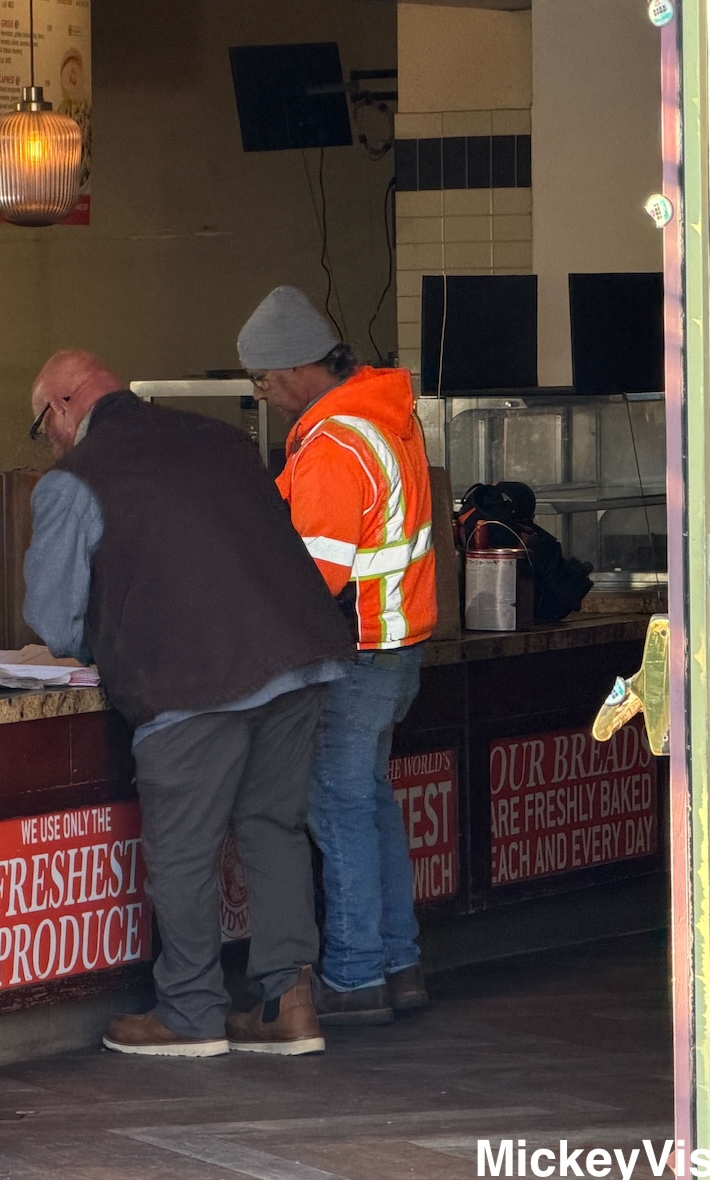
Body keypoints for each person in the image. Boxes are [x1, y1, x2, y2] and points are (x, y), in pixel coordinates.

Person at [21, 349, 355, 1057]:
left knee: (183, 848)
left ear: (63, 406)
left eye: (40, 425)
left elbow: (51, 620)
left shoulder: (73, 480)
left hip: (190, 676)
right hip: (299, 655)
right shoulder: (220, 438)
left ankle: (190, 1011)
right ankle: (289, 1005)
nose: (47, 441)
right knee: (274, 828)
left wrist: (99, 640)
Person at [237, 286, 438, 1024]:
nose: (263, 396)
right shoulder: (386, 419)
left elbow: (310, 575)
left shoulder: (333, 445)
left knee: (337, 807)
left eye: (261, 381)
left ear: (294, 368)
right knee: (371, 805)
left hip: (354, 654)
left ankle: (354, 978)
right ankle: (398, 962)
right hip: (397, 646)